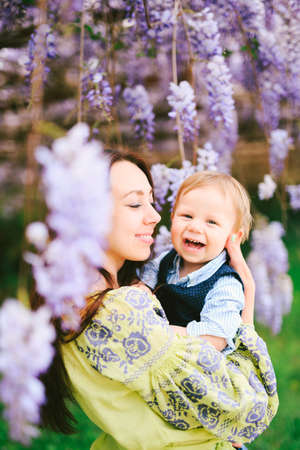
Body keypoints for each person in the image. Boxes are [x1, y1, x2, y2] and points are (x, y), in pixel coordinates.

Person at [34, 150, 278, 450]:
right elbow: (248, 410)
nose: (155, 216)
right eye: (135, 203)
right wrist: (247, 312)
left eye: (151, 201)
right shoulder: (122, 311)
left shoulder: (68, 302)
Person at [139, 171, 252, 355]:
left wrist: (160, 332)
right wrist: (141, 291)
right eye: (187, 216)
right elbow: (145, 280)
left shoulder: (225, 284)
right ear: (173, 216)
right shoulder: (166, 260)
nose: (195, 227)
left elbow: (215, 338)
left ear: (233, 237)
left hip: (197, 369)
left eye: (212, 222)